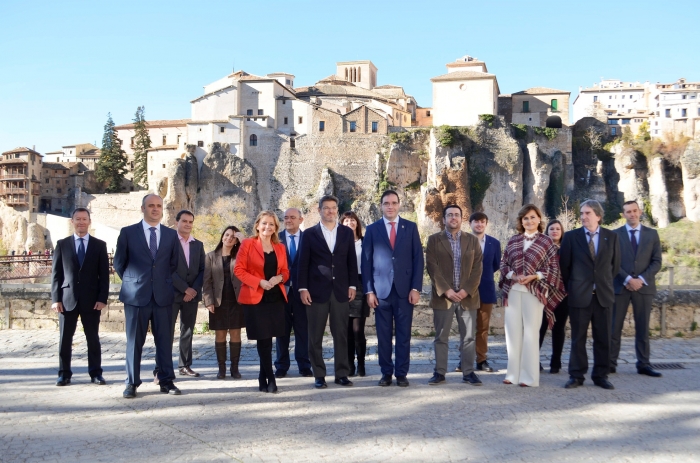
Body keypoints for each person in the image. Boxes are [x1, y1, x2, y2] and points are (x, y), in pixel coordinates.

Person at [113, 194, 180, 398]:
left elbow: (173, 264)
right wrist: (134, 282)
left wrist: (162, 282)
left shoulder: (170, 235)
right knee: (134, 342)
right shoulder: (128, 233)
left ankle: (166, 381)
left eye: (158, 206)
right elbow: (119, 263)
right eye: (151, 206)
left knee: (164, 340)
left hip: (162, 296)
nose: (155, 209)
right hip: (135, 297)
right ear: (142, 208)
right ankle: (131, 383)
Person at [362, 190, 424, 387]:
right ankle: (386, 373)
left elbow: (418, 260)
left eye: (394, 203)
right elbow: (366, 262)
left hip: (405, 291)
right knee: (383, 335)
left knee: (404, 334)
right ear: (381, 206)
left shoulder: (411, 227)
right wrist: (369, 291)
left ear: (399, 205)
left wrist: (416, 287)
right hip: (381, 292)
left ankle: (402, 373)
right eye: (386, 203)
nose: (390, 206)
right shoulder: (372, 229)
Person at [499, 204, 566, 387]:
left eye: (532, 217)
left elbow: (553, 268)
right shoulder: (513, 240)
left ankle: (529, 377)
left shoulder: (546, 242)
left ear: (539, 219)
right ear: (521, 221)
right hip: (513, 290)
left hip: (535, 292)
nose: (529, 221)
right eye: (525, 218)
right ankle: (512, 374)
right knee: (512, 332)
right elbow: (503, 263)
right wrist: (514, 275)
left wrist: (534, 276)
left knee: (531, 333)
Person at [560, 199, 620, 390]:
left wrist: (601, 282)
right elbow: (564, 267)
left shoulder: (611, 237)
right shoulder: (571, 237)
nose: (584, 217)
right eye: (582, 213)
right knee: (578, 338)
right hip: (579, 295)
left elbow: (615, 266)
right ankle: (576, 375)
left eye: (588, 213)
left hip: (603, 295)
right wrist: (576, 286)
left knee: (603, 337)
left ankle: (601, 375)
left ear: (598, 216)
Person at [298, 195, 357, 389]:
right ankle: (319, 375)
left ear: (337, 210)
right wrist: (303, 288)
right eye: (326, 208)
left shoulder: (347, 233)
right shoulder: (308, 234)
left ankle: (342, 373)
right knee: (315, 335)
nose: (330, 211)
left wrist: (352, 285)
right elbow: (302, 264)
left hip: (340, 290)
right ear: (319, 210)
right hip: (316, 291)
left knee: (341, 333)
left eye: (333, 208)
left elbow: (351, 262)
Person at [51, 208, 109, 386]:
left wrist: (102, 298)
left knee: (93, 338)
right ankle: (64, 373)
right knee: (65, 339)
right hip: (67, 299)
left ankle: (96, 373)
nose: (81, 222)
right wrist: (55, 299)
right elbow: (56, 274)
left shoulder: (99, 245)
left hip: (92, 301)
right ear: (72, 221)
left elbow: (104, 275)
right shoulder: (62, 244)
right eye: (78, 219)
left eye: (84, 219)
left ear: (89, 222)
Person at [425, 205, 483, 386]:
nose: (453, 218)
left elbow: (477, 268)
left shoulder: (472, 241)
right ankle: (439, 373)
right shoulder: (434, 240)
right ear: (444, 219)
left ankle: (468, 372)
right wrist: (447, 290)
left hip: (468, 297)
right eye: (449, 215)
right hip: (444, 297)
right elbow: (432, 267)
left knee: (468, 337)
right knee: (441, 337)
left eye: (457, 215)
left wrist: (465, 290)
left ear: (461, 219)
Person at [234, 211, 289, 393]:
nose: (268, 227)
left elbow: (286, 271)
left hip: (276, 298)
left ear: (275, 228)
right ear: (257, 225)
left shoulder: (279, 247)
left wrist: (279, 277)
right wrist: (259, 282)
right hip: (255, 298)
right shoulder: (248, 244)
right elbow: (239, 271)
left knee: (270, 338)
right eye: (264, 223)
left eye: (271, 224)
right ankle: (270, 378)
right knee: (263, 338)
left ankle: (261, 376)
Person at [611, 200, 663, 377]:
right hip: (621, 286)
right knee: (614, 327)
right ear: (623, 214)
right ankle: (610, 363)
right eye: (628, 212)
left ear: (640, 212)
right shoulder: (615, 235)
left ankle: (644, 364)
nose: (632, 214)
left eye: (634, 211)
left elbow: (657, 262)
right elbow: (612, 261)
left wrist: (640, 279)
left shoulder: (652, 234)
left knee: (642, 328)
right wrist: (626, 278)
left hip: (644, 287)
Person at [160, 210, 206, 378]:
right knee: (167, 332)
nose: (187, 224)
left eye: (190, 222)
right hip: (172, 294)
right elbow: (167, 268)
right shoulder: (168, 242)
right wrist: (184, 288)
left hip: (191, 296)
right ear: (177, 221)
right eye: (184, 221)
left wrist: (193, 290)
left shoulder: (198, 245)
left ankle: (185, 365)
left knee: (187, 331)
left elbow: (202, 269)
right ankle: (162, 368)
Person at [203, 226, 246, 379]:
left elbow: (251, 261)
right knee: (220, 334)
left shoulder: (240, 256)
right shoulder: (210, 256)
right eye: (227, 235)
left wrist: (243, 240)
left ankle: (235, 368)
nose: (229, 238)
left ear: (236, 241)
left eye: (233, 237)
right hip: (218, 301)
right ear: (222, 236)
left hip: (237, 300)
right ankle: (221, 369)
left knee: (235, 333)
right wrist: (208, 301)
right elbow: (206, 282)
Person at [275, 208, 313, 378]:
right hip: (280, 292)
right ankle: (281, 366)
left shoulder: (310, 239)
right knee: (281, 330)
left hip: (302, 291)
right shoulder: (275, 239)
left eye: (292, 217)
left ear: (301, 219)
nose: (288, 220)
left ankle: (304, 365)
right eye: (286, 217)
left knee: (303, 330)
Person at [469, 211, 501, 373]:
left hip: (487, 289)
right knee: (466, 327)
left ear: (486, 224)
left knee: (483, 328)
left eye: (482, 222)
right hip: (466, 291)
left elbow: (496, 265)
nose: (479, 224)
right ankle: (464, 360)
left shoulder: (494, 243)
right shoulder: (463, 241)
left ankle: (481, 360)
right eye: (476, 222)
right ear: (470, 224)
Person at [341, 211, 371, 377]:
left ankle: (361, 364)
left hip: (361, 284)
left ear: (357, 223)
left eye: (352, 220)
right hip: (343, 285)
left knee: (358, 329)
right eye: (346, 220)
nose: (349, 223)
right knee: (346, 330)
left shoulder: (365, 242)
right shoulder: (339, 242)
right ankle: (349, 364)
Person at [538, 220, 569, 374]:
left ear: (562, 231)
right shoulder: (541, 249)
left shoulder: (567, 249)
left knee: (559, 328)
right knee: (540, 327)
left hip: (563, 293)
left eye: (558, 229)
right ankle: (534, 360)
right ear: (547, 231)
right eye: (552, 229)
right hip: (543, 293)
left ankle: (555, 362)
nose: (555, 231)